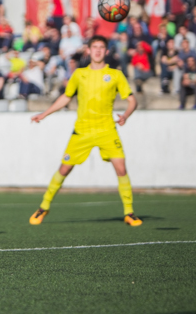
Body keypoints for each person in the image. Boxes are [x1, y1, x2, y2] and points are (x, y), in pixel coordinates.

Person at [29, 35, 141, 227]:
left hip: (107, 130)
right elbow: (66, 97)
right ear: (88, 50)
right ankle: (44, 206)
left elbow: (132, 100)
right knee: (64, 169)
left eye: (101, 47)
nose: (97, 50)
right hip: (82, 131)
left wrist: (125, 116)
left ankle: (129, 213)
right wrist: (45, 113)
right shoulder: (79, 74)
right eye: (94, 47)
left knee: (121, 169)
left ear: (106, 51)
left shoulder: (115, 75)